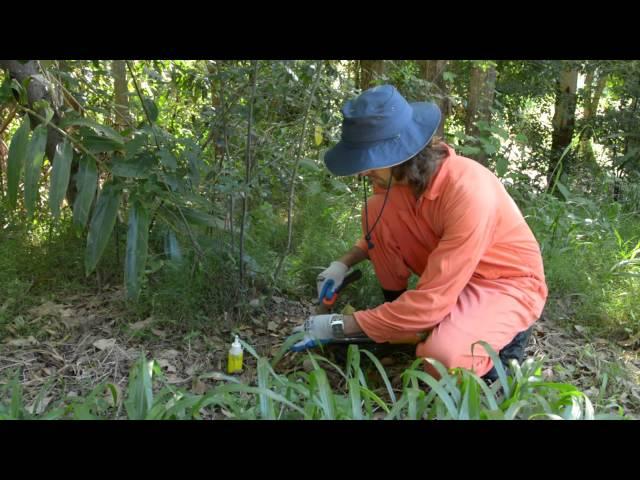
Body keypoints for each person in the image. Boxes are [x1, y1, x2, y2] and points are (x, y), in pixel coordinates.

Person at [291, 84, 547, 381]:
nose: (363, 172)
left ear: (398, 154)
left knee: (441, 358)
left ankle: (503, 344)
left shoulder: (468, 191)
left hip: (504, 284)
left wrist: (337, 325)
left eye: (369, 160)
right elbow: (377, 235)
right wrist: (342, 264)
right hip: (449, 280)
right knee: (375, 208)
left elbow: (432, 300)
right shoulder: (396, 182)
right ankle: (400, 320)